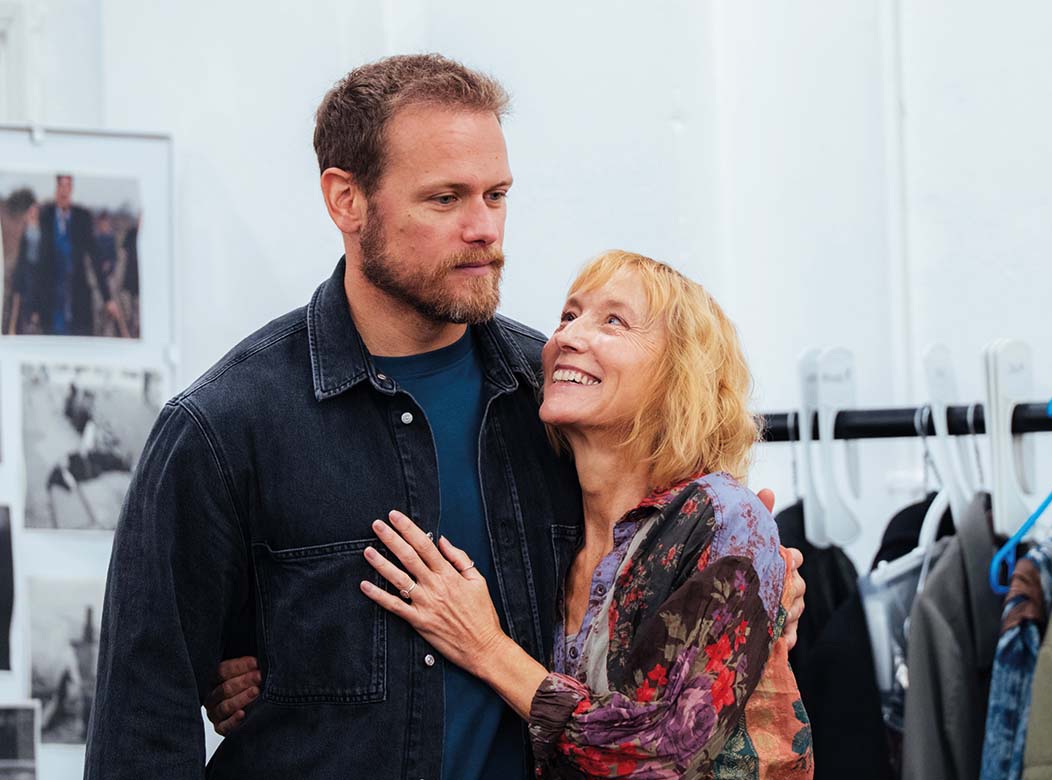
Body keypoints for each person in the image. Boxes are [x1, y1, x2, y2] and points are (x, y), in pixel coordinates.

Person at [83, 54, 804, 780]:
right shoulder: (224, 428)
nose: (484, 229)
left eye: (496, 195)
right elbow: (141, 722)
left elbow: (684, 601)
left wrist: (764, 594)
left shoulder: (563, 402)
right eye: (445, 199)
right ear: (346, 200)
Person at [211, 251, 816, 778]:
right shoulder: (568, 535)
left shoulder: (721, 518)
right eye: (570, 314)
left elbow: (656, 756)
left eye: (614, 321)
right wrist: (268, 668)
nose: (569, 335)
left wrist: (486, 646)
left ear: (679, 374)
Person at [34, 174, 118, 337]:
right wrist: (35, 305)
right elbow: (40, 263)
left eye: (68, 187)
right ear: (56, 189)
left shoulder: (82, 217)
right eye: (61, 187)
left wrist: (107, 299)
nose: (64, 191)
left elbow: (95, 258)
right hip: (51, 295)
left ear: (71, 190)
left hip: (76, 294)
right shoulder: (46, 216)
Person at [6, 188, 41, 334]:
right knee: (25, 297)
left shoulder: (42, 228)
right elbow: (21, 253)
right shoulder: (25, 229)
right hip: (27, 268)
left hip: (38, 269)